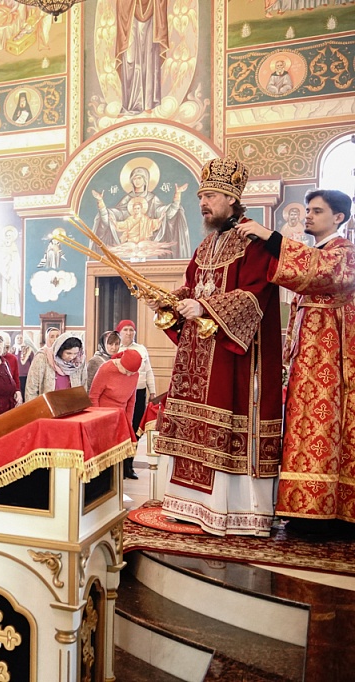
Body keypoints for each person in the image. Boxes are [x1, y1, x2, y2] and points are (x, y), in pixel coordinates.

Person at [153, 157, 282, 537]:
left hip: (232, 357)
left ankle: (234, 510)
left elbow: (256, 295)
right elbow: (193, 287)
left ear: (231, 199)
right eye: (200, 197)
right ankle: (186, 504)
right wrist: (170, 301)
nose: (203, 203)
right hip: (197, 356)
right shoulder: (206, 245)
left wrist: (205, 308)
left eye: (210, 196)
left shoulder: (253, 242)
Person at [238, 188, 355, 534]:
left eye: (317, 211)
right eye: (307, 210)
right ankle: (301, 507)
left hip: (332, 362)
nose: (308, 216)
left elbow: (322, 272)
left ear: (338, 217)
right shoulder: (317, 251)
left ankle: (326, 510)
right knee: (301, 430)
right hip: (307, 361)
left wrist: (270, 237)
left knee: (323, 429)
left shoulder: (344, 252)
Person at [115, 319, 155, 478]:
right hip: (122, 395)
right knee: (122, 430)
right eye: (125, 330)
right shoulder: (115, 349)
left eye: (131, 330)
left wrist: (153, 392)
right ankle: (119, 467)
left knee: (135, 429)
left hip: (139, 394)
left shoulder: (141, 349)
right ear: (119, 332)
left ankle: (129, 466)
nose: (129, 333)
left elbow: (149, 371)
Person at [115, 0, 168, 114]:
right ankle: (130, 103)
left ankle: (148, 102)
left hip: (151, 19)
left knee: (149, 57)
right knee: (130, 59)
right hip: (130, 19)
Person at [89, 349, 142, 435]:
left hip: (121, 418)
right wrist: (97, 419)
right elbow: (93, 396)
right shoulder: (106, 369)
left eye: (132, 373)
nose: (128, 375)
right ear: (120, 363)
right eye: (126, 371)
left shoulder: (135, 375)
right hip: (103, 417)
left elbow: (131, 401)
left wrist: (128, 423)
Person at [24, 332, 86, 401]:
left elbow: (84, 386)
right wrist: (34, 407)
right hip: (47, 404)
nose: (72, 357)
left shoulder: (78, 362)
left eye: (75, 353)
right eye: (68, 353)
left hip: (72, 404)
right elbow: (31, 388)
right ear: (59, 350)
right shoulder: (42, 358)